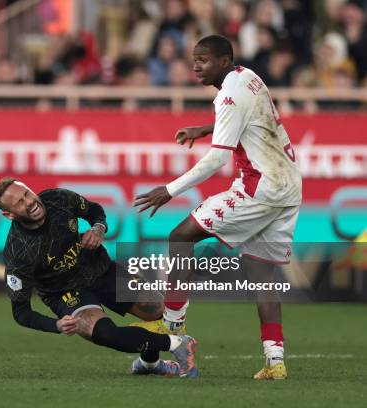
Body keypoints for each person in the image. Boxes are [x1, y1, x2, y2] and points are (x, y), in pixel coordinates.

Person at [133, 35, 302, 380]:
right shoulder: (248, 76)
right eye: (194, 59)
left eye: (204, 59)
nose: (196, 65)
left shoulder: (227, 95)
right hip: (289, 186)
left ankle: (173, 331)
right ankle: (276, 361)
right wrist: (210, 128)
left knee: (179, 237)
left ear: (224, 61)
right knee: (263, 276)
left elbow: (216, 160)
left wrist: (169, 190)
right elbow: (252, 118)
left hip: (259, 187)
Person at [0, 177, 198, 378]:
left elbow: (94, 210)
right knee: (106, 334)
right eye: (19, 202)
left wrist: (98, 228)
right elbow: (20, 312)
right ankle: (178, 344)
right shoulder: (18, 252)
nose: (29, 202)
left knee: (157, 310)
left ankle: (149, 364)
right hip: (65, 293)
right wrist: (54, 325)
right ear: (9, 215)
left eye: (27, 193)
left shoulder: (58, 199)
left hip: (100, 269)